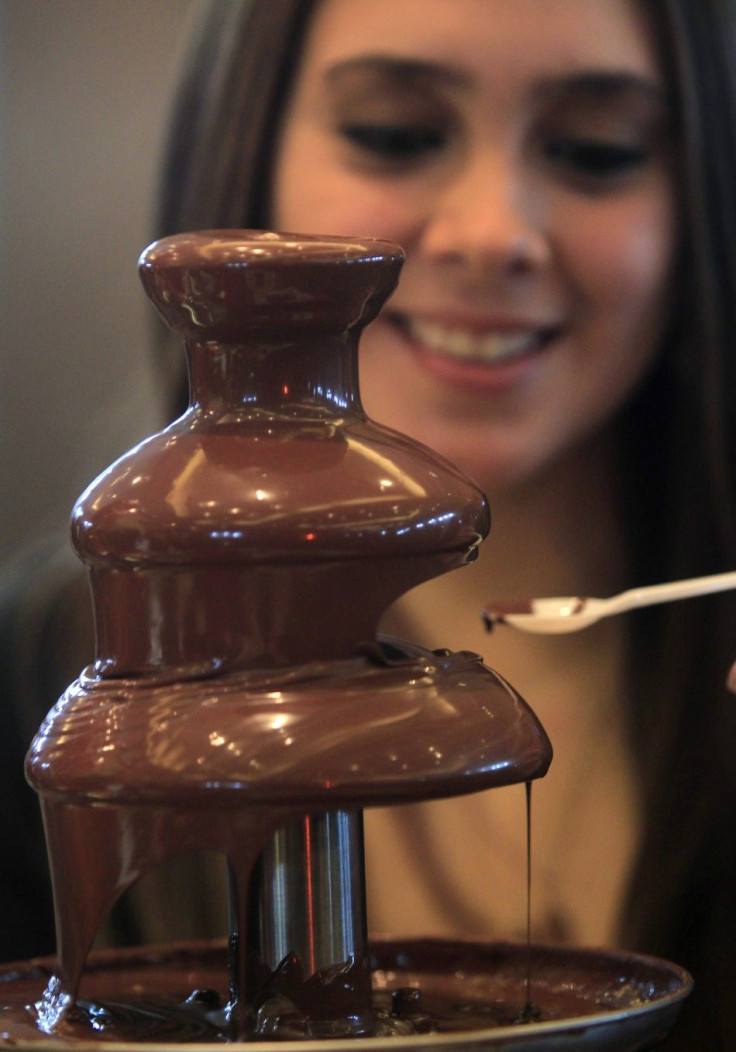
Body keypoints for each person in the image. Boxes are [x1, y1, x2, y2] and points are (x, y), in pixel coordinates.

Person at [2, 1, 735, 1048]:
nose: (491, 233)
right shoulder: (29, 693)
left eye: (594, 151)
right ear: (247, 154)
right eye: (395, 134)